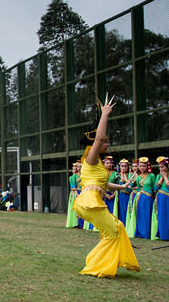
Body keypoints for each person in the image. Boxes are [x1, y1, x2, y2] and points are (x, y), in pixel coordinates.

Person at [71, 96, 139, 278]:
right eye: (105, 142)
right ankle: (96, 264)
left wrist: (121, 185)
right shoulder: (90, 158)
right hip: (89, 202)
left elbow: (104, 184)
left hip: (89, 201)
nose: (106, 143)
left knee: (117, 227)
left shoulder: (97, 164)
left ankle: (108, 262)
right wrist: (105, 114)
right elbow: (99, 138)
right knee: (113, 232)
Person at [153, 156, 169, 241]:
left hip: (168, 198)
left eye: (163, 166)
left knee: (168, 216)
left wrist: (165, 177)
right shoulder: (158, 176)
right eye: (159, 167)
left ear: (168, 166)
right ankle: (162, 235)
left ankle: (168, 235)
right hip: (160, 198)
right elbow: (155, 188)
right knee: (160, 216)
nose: (161, 169)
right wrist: (161, 177)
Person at [132, 157, 156, 239]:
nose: (142, 168)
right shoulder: (138, 177)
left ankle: (147, 233)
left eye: (144, 166)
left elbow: (154, 187)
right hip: (140, 198)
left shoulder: (152, 175)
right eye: (140, 166)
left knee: (147, 215)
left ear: (148, 166)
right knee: (140, 215)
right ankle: (140, 233)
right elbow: (138, 187)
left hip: (149, 198)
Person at [65, 161, 83, 229]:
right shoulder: (74, 176)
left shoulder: (85, 175)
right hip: (77, 193)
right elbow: (73, 186)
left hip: (84, 192)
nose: (79, 168)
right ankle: (78, 223)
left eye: (81, 166)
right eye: (78, 167)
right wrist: (76, 193)